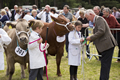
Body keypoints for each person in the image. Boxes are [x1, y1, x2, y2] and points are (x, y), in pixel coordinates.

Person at [85, 9, 117, 80]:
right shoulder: (97, 20)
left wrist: (91, 37)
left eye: (88, 17)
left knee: (105, 65)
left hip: (107, 45)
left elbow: (101, 31)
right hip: (106, 45)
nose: (88, 20)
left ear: (91, 14)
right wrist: (90, 39)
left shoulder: (99, 19)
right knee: (104, 65)